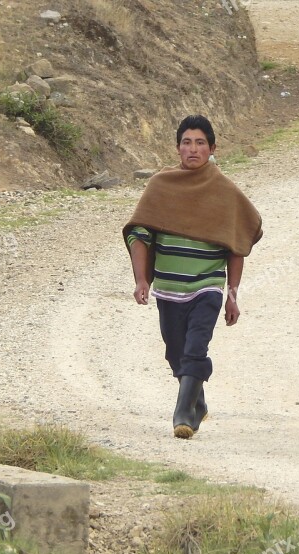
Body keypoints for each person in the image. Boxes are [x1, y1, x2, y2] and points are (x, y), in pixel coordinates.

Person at [123, 115, 263, 439]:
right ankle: (197, 400)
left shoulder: (225, 192)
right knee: (175, 353)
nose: (193, 149)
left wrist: (232, 293)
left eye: (201, 143)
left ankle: (183, 413)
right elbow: (139, 235)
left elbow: (238, 244)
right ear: (177, 148)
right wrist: (141, 280)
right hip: (169, 288)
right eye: (187, 142)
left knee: (195, 348)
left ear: (212, 148)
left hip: (207, 287)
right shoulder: (161, 186)